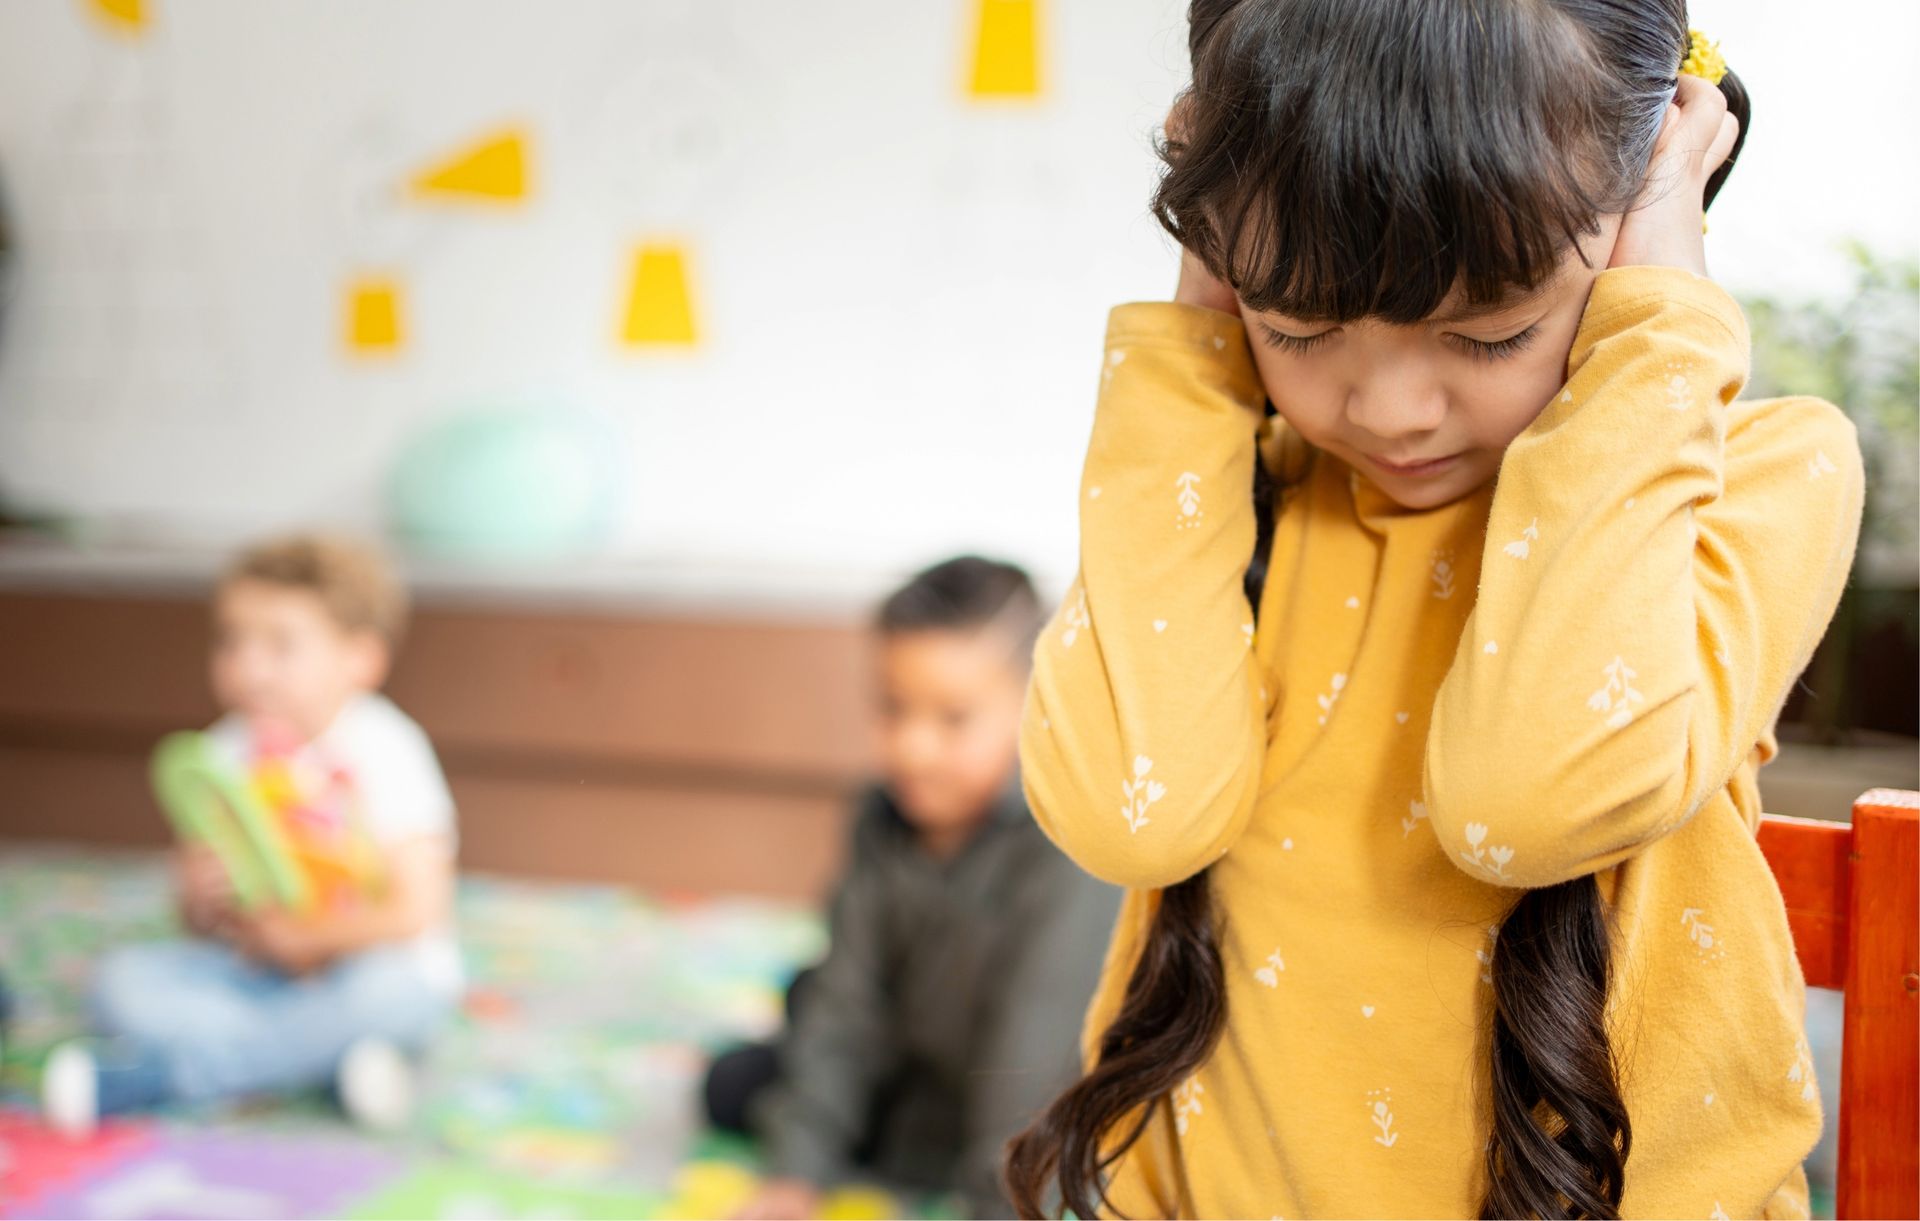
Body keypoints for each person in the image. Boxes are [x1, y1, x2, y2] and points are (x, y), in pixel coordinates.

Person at [1004, 4, 1865, 1217]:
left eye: (1490, 331)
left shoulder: (1770, 476)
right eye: (1296, 324)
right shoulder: (1231, 497)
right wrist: (1196, 329)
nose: (1396, 411)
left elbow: (1531, 801)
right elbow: (1131, 818)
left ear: (1640, 224)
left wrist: (1659, 326)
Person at [707, 556, 1120, 1219]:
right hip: (912, 1088)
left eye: (953, 720)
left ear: (1038, 708)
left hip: (1019, 1099)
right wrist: (793, 1179)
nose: (913, 748)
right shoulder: (879, 818)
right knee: (744, 1072)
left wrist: (1002, 1202)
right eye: (894, 709)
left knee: (1077, 1146)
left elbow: (1032, 1055)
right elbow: (848, 1001)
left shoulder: (1066, 849)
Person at [43, 533, 462, 1135]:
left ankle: (164, 1077)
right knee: (121, 984)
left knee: (402, 996)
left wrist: (312, 940)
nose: (250, 668)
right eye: (231, 641)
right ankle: (329, 1064)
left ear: (361, 659)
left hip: (363, 967)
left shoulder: (388, 750)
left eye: (280, 645)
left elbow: (415, 912)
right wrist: (201, 897)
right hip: (254, 972)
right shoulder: (222, 752)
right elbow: (197, 922)